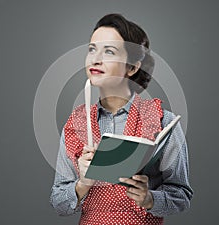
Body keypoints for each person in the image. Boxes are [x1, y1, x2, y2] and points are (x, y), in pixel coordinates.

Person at [50, 13, 193, 224]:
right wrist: (82, 184)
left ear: (132, 67)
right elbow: (58, 202)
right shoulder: (75, 125)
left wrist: (150, 198)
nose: (95, 59)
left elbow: (181, 194)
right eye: (92, 49)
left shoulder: (162, 121)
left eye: (109, 51)